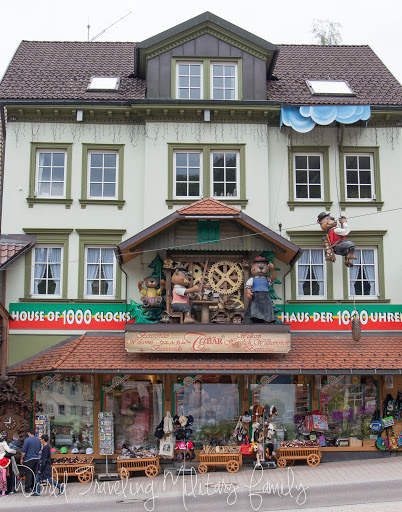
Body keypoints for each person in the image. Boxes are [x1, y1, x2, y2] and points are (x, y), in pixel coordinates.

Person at [20, 428, 41, 494]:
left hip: (29, 459)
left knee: (28, 473)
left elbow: (23, 451)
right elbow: (39, 449)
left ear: (29, 433)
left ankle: (28, 488)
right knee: (35, 473)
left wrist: (21, 459)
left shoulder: (27, 440)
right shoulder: (38, 440)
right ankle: (34, 487)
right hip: (36, 458)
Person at [0, 431, 16, 496]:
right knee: (5, 474)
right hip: (3, 459)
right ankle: (5, 490)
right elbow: (8, 450)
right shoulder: (4, 443)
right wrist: (14, 451)